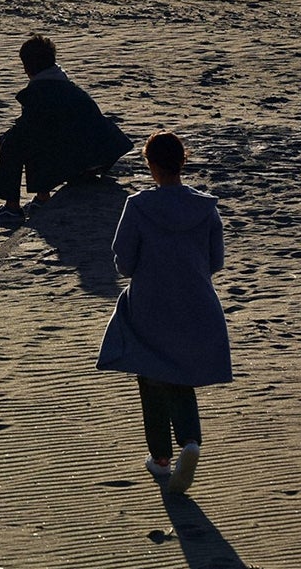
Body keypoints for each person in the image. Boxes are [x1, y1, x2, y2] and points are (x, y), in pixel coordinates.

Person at [95, 131, 232, 495]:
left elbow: (124, 262)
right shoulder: (205, 207)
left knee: (151, 371)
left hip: (151, 300)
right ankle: (190, 440)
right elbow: (216, 260)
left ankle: (160, 458)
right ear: (182, 162)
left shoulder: (139, 206)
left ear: (151, 165)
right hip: (196, 300)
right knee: (181, 373)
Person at [0, 34, 133, 215]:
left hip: (81, 158)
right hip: (103, 155)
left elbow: (25, 130)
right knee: (43, 133)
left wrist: (1, 142)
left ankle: (12, 207)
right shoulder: (67, 85)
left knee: (16, 142)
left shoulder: (39, 91)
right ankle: (41, 198)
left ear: (26, 67)